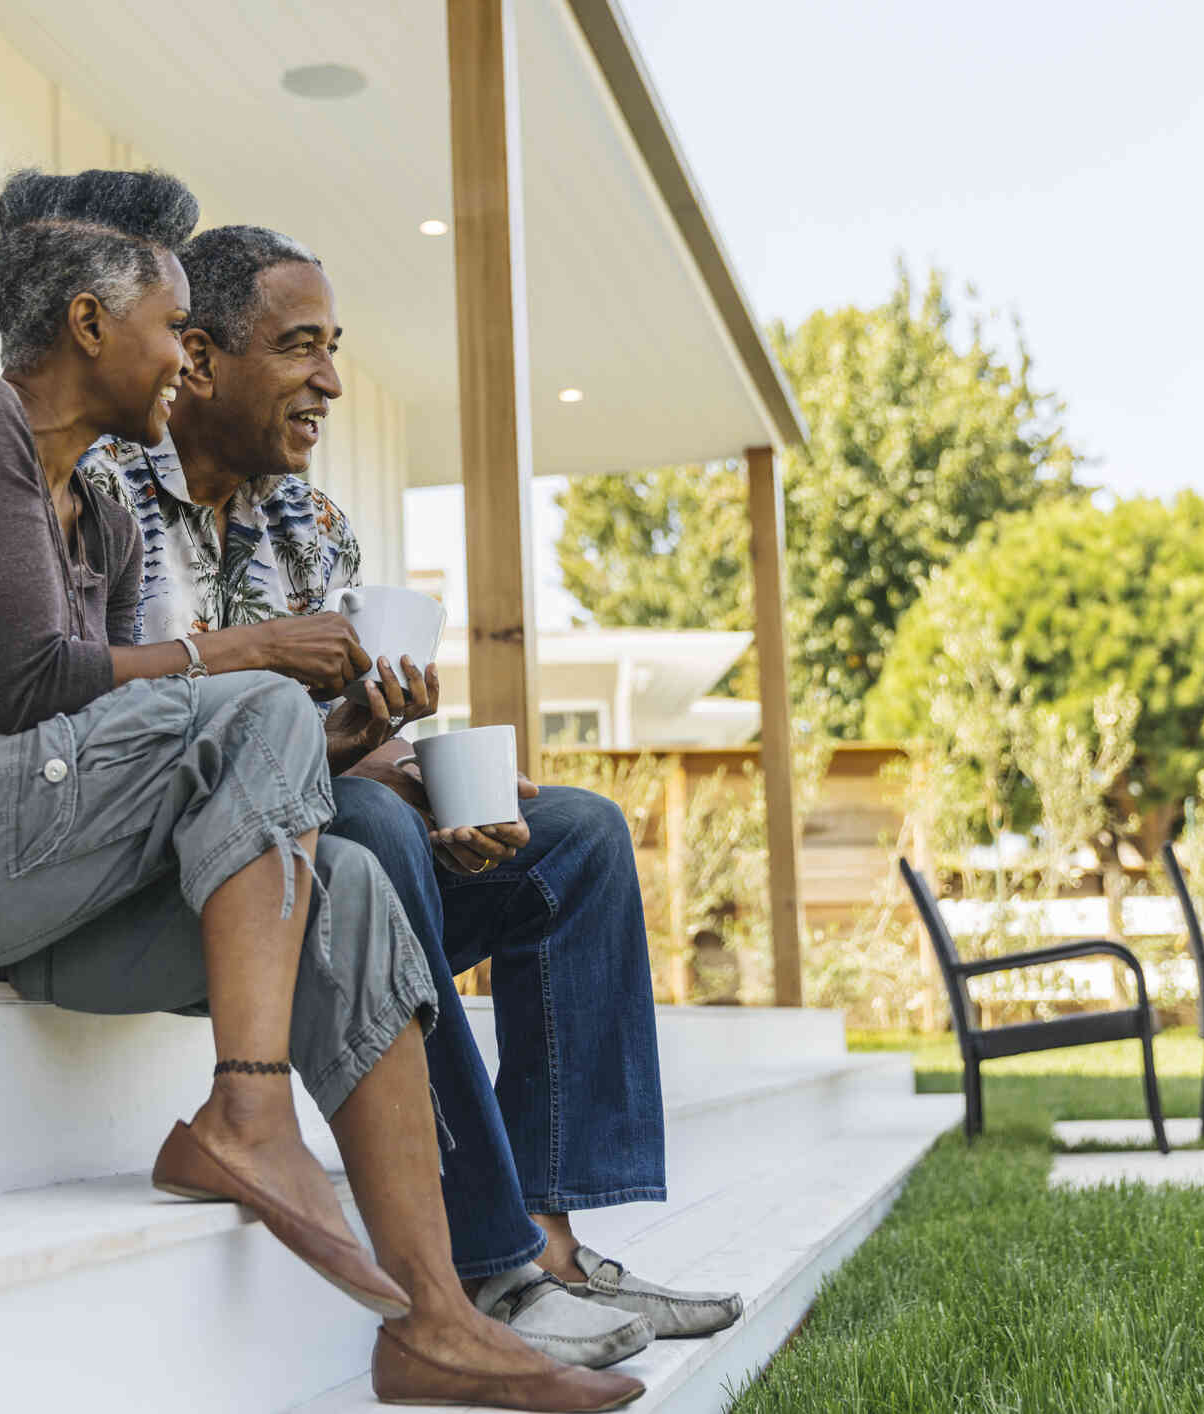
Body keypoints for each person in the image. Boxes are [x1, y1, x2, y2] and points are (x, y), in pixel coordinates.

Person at [0, 168, 640, 1412]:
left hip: (12, 883)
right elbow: (31, 685)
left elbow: (146, 744)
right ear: (87, 325)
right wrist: (266, 654)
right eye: (176, 327)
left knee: (342, 893)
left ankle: (437, 1318)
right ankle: (248, 1110)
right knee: (262, 702)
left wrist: (335, 736)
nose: (186, 359)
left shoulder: (104, 530)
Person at [80, 224, 745, 1371]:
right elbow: (111, 733)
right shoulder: (103, 497)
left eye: (333, 349)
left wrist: (423, 771)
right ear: (199, 357)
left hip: (332, 839)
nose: (331, 381)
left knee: (573, 836)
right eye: (300, 348)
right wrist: (365, 776)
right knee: (377, 826)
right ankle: (485, 1259)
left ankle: (551, 1236)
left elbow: (338, 751)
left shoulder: (313, 522)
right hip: (195, 881)